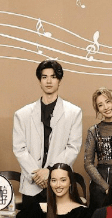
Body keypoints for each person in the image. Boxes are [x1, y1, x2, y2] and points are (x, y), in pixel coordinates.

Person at [13, 60, 83, 203]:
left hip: (60, 183)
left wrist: (50, 171)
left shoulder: (74, 112)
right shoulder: (22, 114)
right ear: (39, 81)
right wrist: (36, 175)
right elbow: (19, 149)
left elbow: (73, 148)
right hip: (32, 184)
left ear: (59, 80)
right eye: (44, 77)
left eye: (53, 77)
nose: (49, 81)